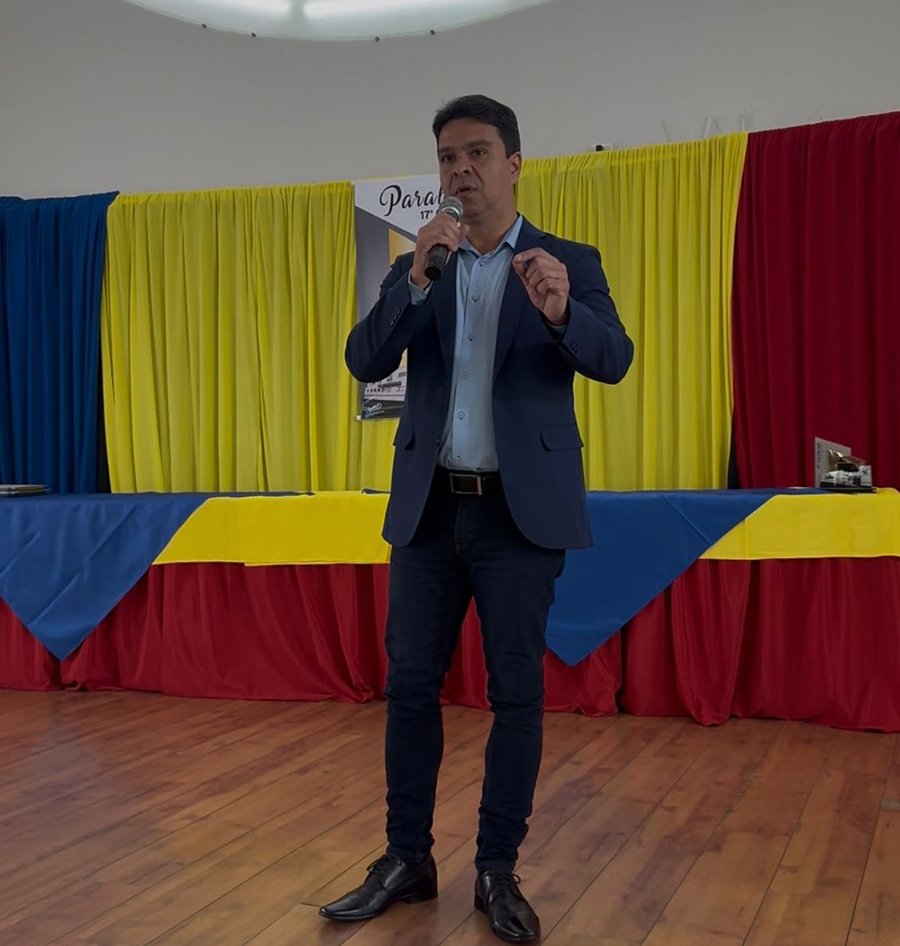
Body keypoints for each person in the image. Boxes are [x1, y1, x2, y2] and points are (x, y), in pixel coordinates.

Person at [320, 94, 633, 943]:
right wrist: (418, 278)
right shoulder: (423, 261)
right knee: (410, 687)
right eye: (448, 157)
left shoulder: (567, 261)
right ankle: (406, 858)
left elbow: (615, 359)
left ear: (514, 164)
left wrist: (563, 312)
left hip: (517, 519)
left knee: (516, 694)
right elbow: (364, 358)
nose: (461, 170)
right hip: (428, 513)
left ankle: (497, 868)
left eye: (478, 153)